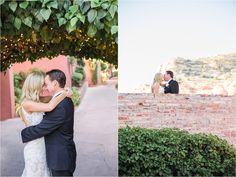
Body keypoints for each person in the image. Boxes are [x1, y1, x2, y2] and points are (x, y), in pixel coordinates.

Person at [21, 69, 77, 177]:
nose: (45, 88)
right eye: (42, 85)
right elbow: (50, 106)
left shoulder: (48, 101)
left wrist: (66, 92)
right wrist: (65, 92)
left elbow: (53, 101)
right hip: (37, 147)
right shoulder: (29, 102)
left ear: (54, 83)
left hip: (55, 153)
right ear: (34, 86)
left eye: (45, 84)